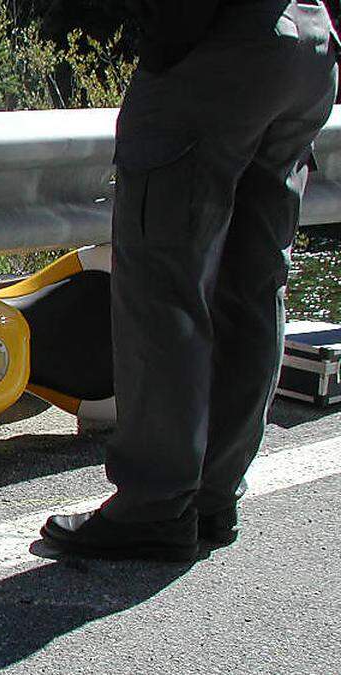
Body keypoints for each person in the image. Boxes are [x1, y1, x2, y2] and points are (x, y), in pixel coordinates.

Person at [41, 0, 339, 561]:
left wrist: (164, 45)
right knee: (251, 283)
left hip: (219, 49)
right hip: (307, 42)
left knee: (164, 285)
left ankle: (155, 504)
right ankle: (213, 494)